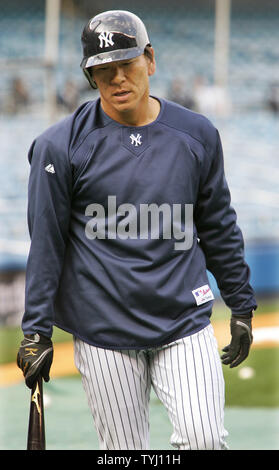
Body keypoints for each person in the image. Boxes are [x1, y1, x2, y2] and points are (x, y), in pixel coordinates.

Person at [17, 10, 257, 451]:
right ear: (90, 77)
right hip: (103, 329)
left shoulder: (197, 134)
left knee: (205, 441)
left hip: (183, 321)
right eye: (102, 71)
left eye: (125, 64)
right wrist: (37, 331)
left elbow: (218, 224)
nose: (117, 79)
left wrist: (240, 305)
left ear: (150, 59)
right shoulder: (59, 145)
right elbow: (47, 243)